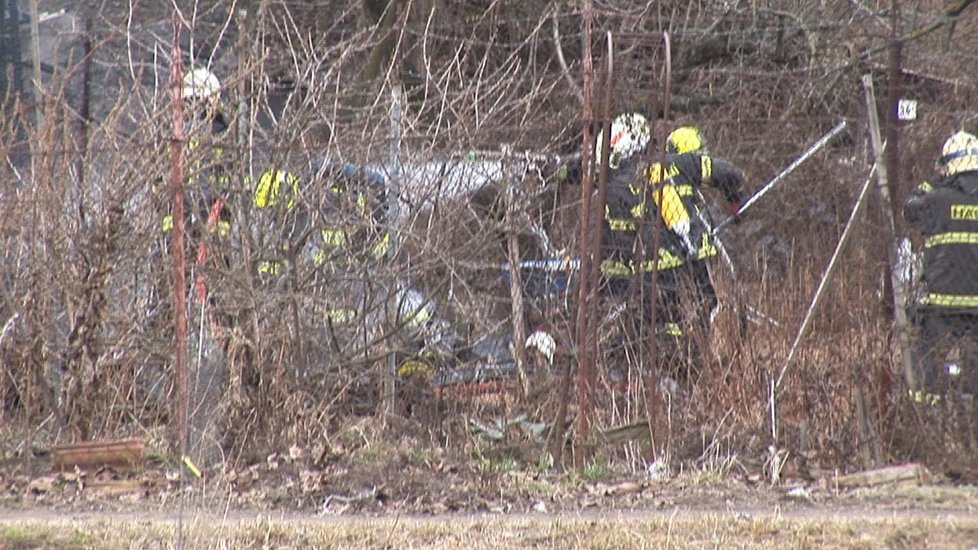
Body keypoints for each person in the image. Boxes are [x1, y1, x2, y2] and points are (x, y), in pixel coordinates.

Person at [600, 113, 745, 380]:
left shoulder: (624, 180)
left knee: (659, 321)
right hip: (687, 261)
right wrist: (735, 201)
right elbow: (730, 174)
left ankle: (670, 372)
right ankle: (690, 373)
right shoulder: (678, 166)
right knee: (689, 317)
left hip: (653, 267)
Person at [903, 130, 978, 399]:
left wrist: (932, 183)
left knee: (927, 354)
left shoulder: (937, 199)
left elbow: (909, 208)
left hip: (942, 301)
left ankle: (926, 406)